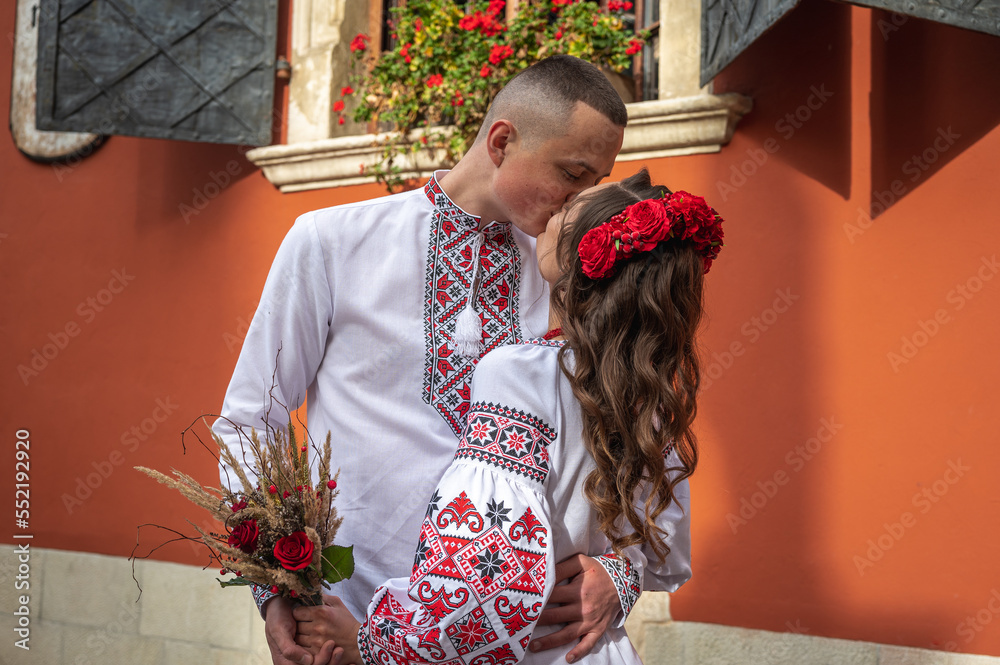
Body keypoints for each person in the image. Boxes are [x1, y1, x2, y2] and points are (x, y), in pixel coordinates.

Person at [214, 55, 671, 665]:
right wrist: (279, 588)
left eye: (595, 182)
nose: (580, 200)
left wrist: (619, 575)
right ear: (502, 140)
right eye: (572, 172)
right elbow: (251, 421)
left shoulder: (570, 278)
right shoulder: (331, 242)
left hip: (527, 639)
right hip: (350, 626)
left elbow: (633, 439)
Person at [290, 170, 720, 664]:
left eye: (566, 212)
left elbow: (482, 594)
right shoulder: (645, 393)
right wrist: (619, 575)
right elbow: (668, 556)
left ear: (586, 256)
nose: (551, 213)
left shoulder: (519, 374)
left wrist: (367, 642)